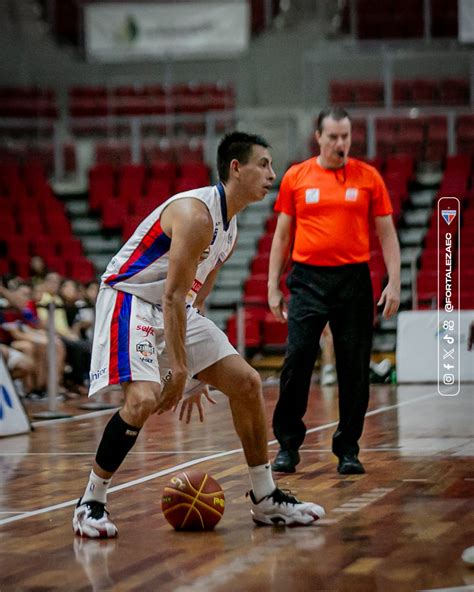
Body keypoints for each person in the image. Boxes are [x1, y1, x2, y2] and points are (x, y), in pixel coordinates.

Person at [73, 131, 326, 538]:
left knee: (246, 383)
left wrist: (193, 374)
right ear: (235, 168)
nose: (272, 174)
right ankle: (91, 501)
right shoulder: (196, 214)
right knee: (142, 401)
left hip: (174, 307)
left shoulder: (231, 229)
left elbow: (192, 302)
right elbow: (172, 296)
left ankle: (265, 499)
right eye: (264, 164)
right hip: (131, 297)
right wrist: (180, 368)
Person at [268, 107, 400, 475]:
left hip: (353, 281)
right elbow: (282, 235)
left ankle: (348, 448)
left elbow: (386, 233)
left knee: (354, 368)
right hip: (307, 279)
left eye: (346, 136)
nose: (341, 143)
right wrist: (272, 285)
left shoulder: (369, 177)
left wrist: (395, 280)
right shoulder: (297, 176)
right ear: (319, 137)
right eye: (333, 137)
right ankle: (288, 445)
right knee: (297, 360)